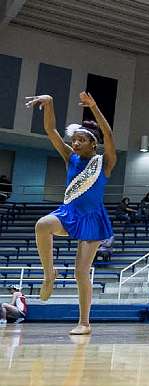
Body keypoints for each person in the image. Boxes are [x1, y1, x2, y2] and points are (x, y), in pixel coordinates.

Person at [26, 92, 115, 336]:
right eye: (73, 140)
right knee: (43, 224)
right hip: (69, 213)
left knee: (80, 272)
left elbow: (108, 134)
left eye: (80, 140)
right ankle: (49, 274)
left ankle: (84, 323)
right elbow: (51, 131)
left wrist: (95, 106)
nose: (74, 144)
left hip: (93, 219)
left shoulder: (104, 162)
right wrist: (50, 102)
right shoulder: (70, 158)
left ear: (92, 144)